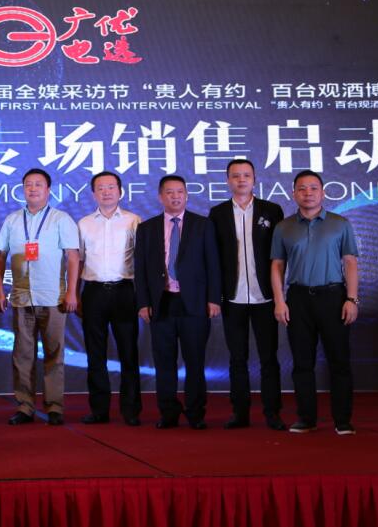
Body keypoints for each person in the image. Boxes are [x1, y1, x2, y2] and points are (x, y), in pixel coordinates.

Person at [271, 170, 359, 435]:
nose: (307, 193)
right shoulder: (283, 227)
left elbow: (350, 262)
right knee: (302, 362)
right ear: (293, 193)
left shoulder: (340, 223)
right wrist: (279, 301)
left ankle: (342, 420)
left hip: (333, 297)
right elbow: (277, 266)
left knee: (339, 361)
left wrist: (352, 299)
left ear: (322, 192)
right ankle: (306, 418)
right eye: (302, 188)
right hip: (298, 299)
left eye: (313, 188)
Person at [134, 175, 221, 430]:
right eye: (169, 192)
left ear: (186, 195)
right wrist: (143, 302)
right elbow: (140, 269)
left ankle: (196, 413)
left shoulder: (203, 225)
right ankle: (168, 413)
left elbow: (214, 265)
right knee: (164, 362)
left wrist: (213, 299)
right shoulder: (147, 228)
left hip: (195, 303)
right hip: (162, 302)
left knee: (195, 361)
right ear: (160, 196)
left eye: (180, 192)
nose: (175, 196)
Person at [0, 168, 79, 426]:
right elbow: (0, 257)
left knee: (54, 354)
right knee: (22, 355)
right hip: (21, 297)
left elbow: (73, 257)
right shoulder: (12, 220)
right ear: (23, 189)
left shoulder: (61, 219)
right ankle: (25, 406)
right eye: (28, 184)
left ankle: (54, 406)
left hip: (53, 297)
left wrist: (72, 291)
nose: (32, 189)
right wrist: (0, 290)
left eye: (38, 184)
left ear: (48, 190)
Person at [208, 159, 286, 431]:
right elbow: (213, 259)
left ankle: (272, 413)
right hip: (233, 297)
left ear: (254, 179)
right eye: (235, 176)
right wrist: (214, 296)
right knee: (237, 358)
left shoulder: (271, 210)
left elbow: (280, 256)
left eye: (246, 175)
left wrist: (280, 295)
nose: (241, 180)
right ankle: (239, 413)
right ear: (227, 180)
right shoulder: (217, 213)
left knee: (269, 358)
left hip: (265, 297)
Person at [77, 171, 142, 427]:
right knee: (95, 354)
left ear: (120, 191)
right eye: (101, 188)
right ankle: (99, 410)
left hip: (124, 291)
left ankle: (131, 410)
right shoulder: (84, 223)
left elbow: (142, 261)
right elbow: (77, 260)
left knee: (129, 353)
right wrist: (74, 293)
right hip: (93, 292)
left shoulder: (133, 221)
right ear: (94, 193)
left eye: (111, 187)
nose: (106, 192)